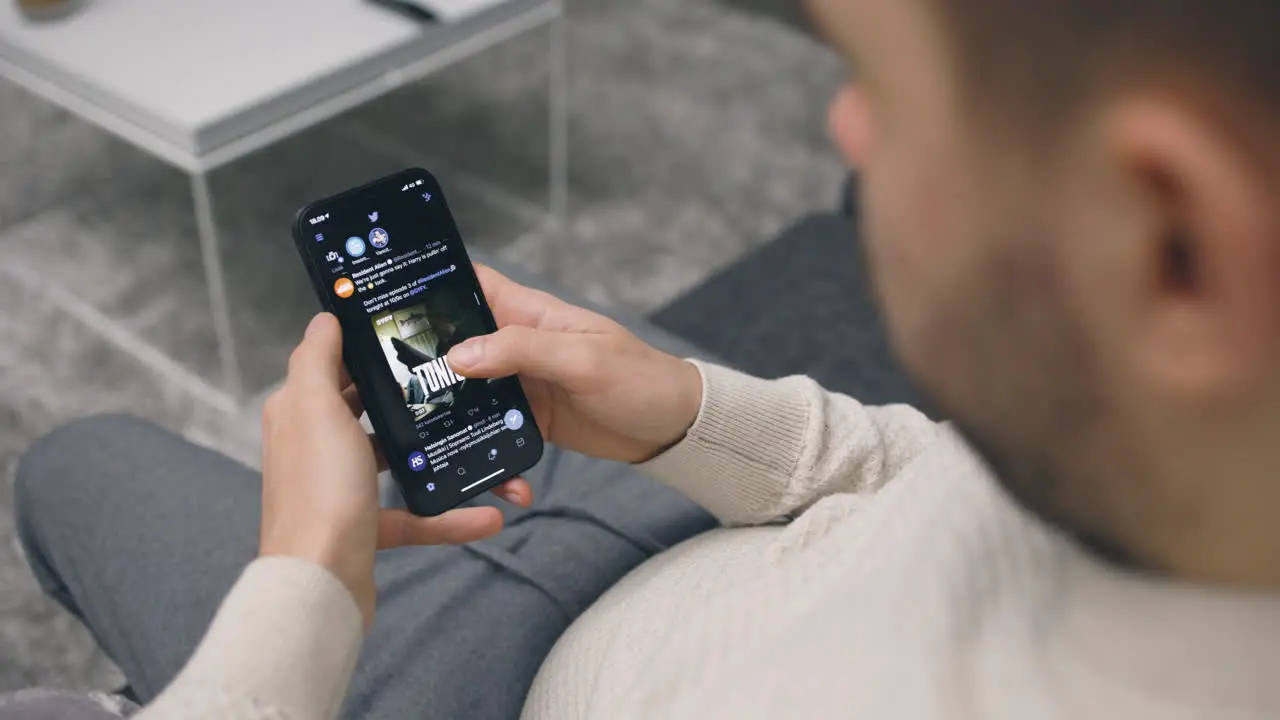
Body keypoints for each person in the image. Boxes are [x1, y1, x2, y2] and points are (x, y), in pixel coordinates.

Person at [11, 0, 1280, 717]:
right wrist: (694, 418)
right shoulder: (1178, 463)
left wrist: (302, 591)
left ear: (1173, 242)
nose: (841, 127)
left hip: (460, 686)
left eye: (882, 93)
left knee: (73, 463)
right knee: (554, 332)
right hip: (712, 528)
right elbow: (927, 490)